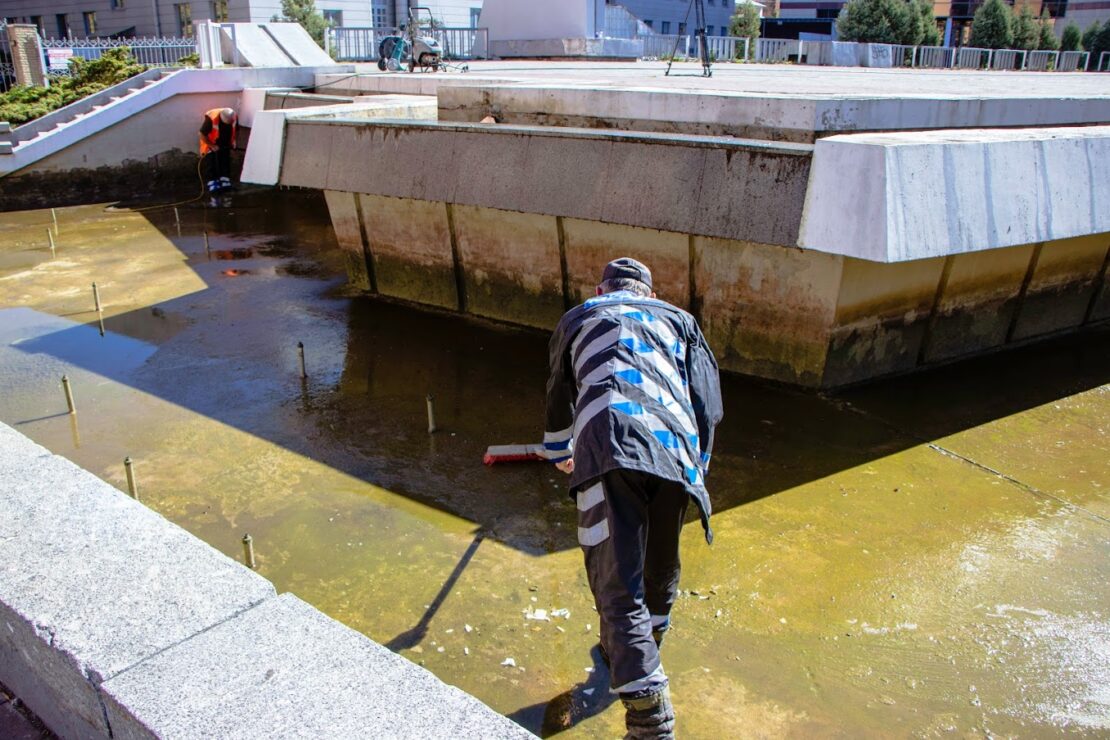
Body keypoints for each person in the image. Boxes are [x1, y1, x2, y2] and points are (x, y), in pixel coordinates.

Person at [543, 257, 723, 738]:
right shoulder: (680, 320)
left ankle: (650, 720)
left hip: (612, 440)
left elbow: (560, 387)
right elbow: (707, 399)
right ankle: (636, 647)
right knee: (659, 563)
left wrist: (560, 450)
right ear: (649, 291)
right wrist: (697, 463)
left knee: (617, 581)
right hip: (676, 450)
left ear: (600, 286)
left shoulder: (582, 314)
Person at [198, 107, 237, 194]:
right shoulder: (211, 119)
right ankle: (212, 182)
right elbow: (201, 134)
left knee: (225, 160)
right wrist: (212, 145)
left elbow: (235, 130)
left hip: (224, 143)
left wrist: (233, 142)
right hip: (211, 143)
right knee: (211, 162)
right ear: (222, 119)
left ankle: (225, 180)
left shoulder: (233, 116)